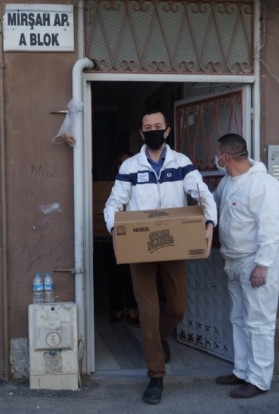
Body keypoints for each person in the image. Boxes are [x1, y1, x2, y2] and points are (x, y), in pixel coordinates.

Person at [104, 109, 217, 405]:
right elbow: (115, 202)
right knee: (148, 314)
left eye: (158, 126)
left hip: (173, 245)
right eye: (147, 127)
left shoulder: (182, 163)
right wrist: (116, 228)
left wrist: (209, 222)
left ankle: (162, 337)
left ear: (167, 131)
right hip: (141, 249)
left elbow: (201, 192)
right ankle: (156, 375)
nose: (153, 131)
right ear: (142, 134)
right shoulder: (130, 166)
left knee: (178, 308)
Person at [211, 133, 279, 398]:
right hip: (233, 260)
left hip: (255, 262)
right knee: (239, 319)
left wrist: (262, 266)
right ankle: (242, 371)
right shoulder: (228, 181)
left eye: (217, 152)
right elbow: (213, 202)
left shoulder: (264, 185)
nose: (216, 157)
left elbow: (271, 230)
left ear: (226, 157)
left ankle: (259, 379)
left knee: (259, 323)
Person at [107, 152, 139, 327]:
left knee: (132, 274)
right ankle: (116, 310)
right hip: (112, 236)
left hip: (134, 235)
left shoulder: (140, 182)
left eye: (127, 162)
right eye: (121, 162)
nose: (124, 165)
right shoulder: (110, 185)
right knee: (115, 274)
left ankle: (132, 310)